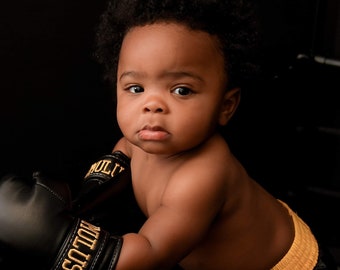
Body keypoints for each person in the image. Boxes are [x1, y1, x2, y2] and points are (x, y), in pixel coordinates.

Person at [0, 0, 337, 269]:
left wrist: (57, 237)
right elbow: (124, 150)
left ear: (227, 105)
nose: (153, 105)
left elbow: (148, 255)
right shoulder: (142, 141)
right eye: (135, 88)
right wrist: (92, 191)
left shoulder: (202, 176)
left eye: (181, 90)